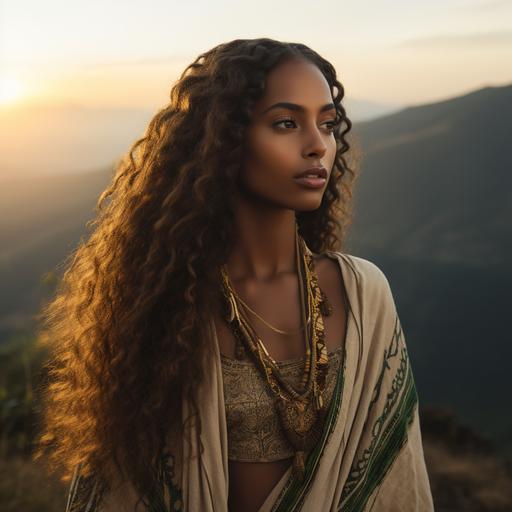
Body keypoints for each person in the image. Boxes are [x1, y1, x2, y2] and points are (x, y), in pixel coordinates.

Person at [34, 38, 434, 511]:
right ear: (223, 140)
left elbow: (395, 479)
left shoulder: (363, 294)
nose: (317, 146)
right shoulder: (170, 302)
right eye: (286, 123)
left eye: (327, 125)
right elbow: (126, 486)